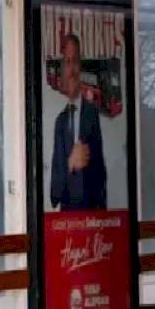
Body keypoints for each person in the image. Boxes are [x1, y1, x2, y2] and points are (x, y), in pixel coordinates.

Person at [50, 33, 107, 211]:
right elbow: (54, 194)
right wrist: (70, 163)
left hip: (92, 217)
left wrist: (103, 217)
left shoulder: (93, 114)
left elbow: (100, 172)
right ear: (62, 73)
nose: (72, 68)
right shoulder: (60, 123)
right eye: (67, 61)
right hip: (67, 220)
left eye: (75, 60)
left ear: (80, 66)